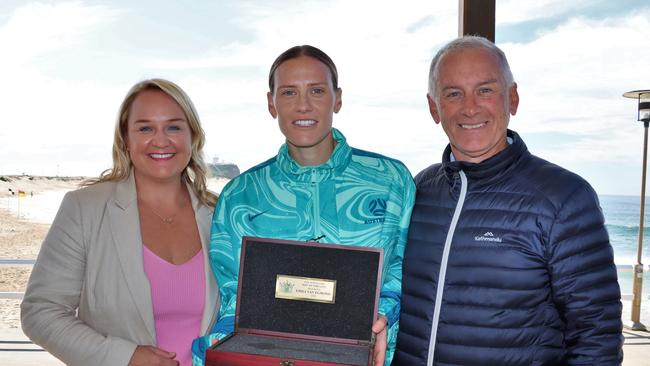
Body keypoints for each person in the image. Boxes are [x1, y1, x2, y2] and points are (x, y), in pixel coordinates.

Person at [392, 36, 623, 365]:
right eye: (453, 93)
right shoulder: (419, 189)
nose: (470, 107)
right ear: (434, 108)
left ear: (512, 99)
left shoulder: (564, 197)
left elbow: (596, 334)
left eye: (485, 90)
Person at [191, 45, 415, 366]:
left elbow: (402, 270)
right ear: (272, 103)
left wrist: (384, 318)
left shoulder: (392, 180)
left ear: (337, 98)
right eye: (289, 93)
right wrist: (217, 352)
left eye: (317, 91)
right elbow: (234, 298)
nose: (304, 105)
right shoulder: (240, 195)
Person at [21, 79, 220, 366]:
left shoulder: (222, 213)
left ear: (193, 137)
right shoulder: (84, 209)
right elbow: (40, 311)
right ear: (126, 139)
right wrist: (125, 357)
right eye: (145, 128)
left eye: (174, 127)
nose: (161, 140)